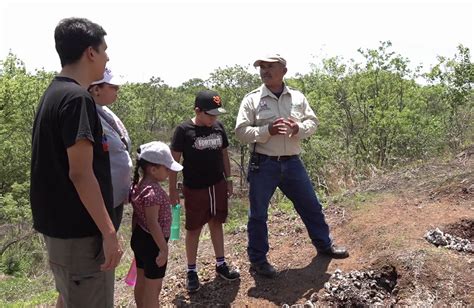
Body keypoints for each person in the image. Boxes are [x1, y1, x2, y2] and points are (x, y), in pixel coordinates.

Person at [30, 18, 122, 307]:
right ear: (90, 53)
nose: (107, 56)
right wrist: (109, 233)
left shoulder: (53, 94)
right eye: (104, 50)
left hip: (60, 233)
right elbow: (80, 173)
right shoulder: (77, 99)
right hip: (81, 237)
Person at [235, 54, 349, 279]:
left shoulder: (297, 97)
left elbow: (312, 122)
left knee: (311, 205)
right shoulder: (252, 99)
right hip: (264, 164)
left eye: (270, 67)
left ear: (283, 71)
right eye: (262, 67)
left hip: (293, 163)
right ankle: (258, 260)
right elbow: (240, 132)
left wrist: (299, 128)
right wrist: (267, 131)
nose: (265, 71)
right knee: (258, 215)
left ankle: (324, 245)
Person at [169, 90, 240, 293]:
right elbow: (173, 162)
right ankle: (191, 270)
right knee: (194, 229)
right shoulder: (184, 130)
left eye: (216, 114)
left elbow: (224, 154)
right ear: (197, 111)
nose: (214, 118)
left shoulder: (218, 127)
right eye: (210, 114)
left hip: (217, 184)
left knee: (216, 222)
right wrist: (172, 191)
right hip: (195, 187)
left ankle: (221, 264)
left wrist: (229, 179)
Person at [130, 141, 183, 307]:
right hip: (153, 244)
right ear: (153, 169)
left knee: (142, 281)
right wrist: (163, 248)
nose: (169, 172)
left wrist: (135, 239)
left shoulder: (139, 187)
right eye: (167, 169)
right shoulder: (154, 193)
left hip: (140, 237)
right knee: (154, 288)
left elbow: (136, 217)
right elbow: (153, 223)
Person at [89, 67, 132, 230]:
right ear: (96, 89)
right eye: (113, 87)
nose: (117, 91)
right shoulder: (87, 112)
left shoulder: (105, 110)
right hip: (101, 200)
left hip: (116, 197)